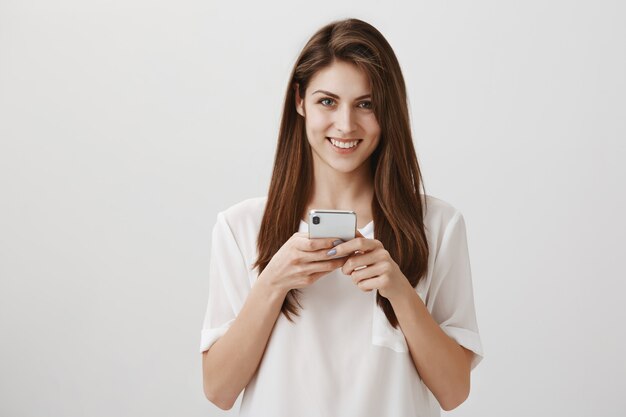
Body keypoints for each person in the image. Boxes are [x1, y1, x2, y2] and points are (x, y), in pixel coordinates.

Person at [200, 18, 483, 417]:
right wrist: (273, 282)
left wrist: (400, 291)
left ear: (389, 109)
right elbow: (218, 390)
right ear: (299, 101)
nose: (346, 125)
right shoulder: (240, 227)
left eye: (366, 104)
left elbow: (454, 391)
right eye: (327, 101)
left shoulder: (437, 225)